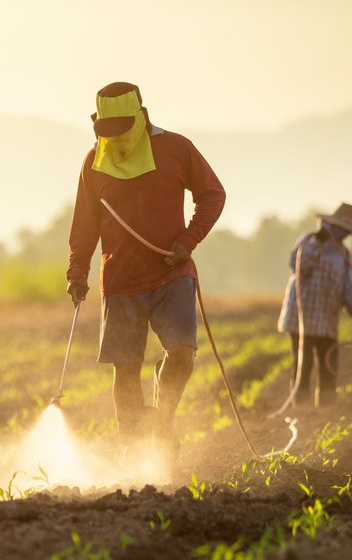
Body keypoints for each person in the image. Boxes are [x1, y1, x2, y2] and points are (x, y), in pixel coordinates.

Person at [66, 82, 226, 464]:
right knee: (125, 369)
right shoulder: (94, 161)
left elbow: (212, 194)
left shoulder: (175, 148)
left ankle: (163, 421)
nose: (116, 135)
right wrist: (77, 270)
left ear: (142, 117)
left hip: (172, 273)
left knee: (182, 355)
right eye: (107, 129)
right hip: (119, 281)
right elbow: (84, 224)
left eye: (122, 125)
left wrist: (188, 240)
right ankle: (134, 449)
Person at [276, 202, 352, 407]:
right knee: (302, 365)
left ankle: (325, 412)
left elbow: (348, 287)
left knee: (329, 366)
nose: (343, 234)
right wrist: (317, 243)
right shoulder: (308, 241)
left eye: (347, 231)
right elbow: (297, 266)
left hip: (327, 319)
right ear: (331, 225)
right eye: (341, 229)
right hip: (301, 317)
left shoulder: (344, 255)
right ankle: (301, 412)